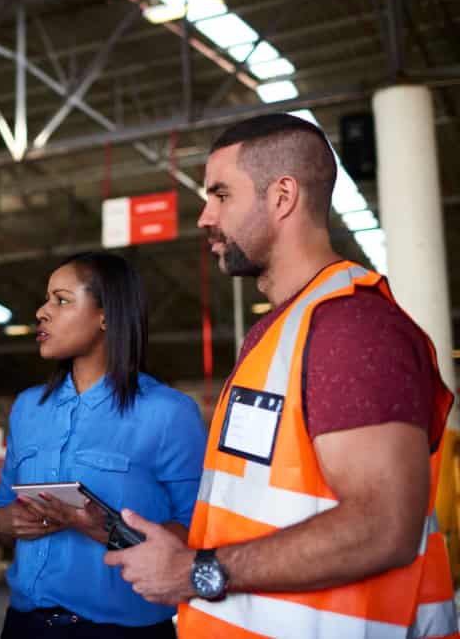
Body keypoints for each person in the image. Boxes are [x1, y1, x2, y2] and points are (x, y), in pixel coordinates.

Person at [105, 113, 457, 638]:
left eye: (221, 195)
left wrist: (195, 571)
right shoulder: (285, 329)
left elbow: (384, 527)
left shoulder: (352, 327)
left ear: (283, 196)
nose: (205, 216)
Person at [0, 252, 206, 638]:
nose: (41, 311)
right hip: (23, 625)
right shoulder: (27, 409)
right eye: (46, 299)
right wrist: (6, 522)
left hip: (118, 632)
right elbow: (0, 511)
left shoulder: (168, 413)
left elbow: (199, 536)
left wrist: (108, 529)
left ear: (106, 315)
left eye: (62, 299)